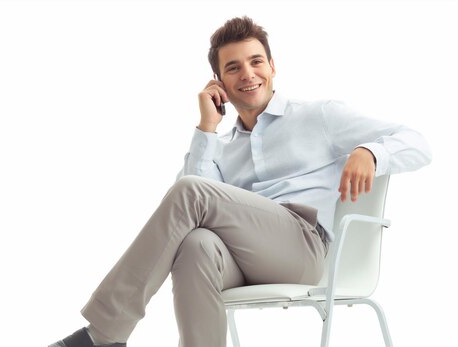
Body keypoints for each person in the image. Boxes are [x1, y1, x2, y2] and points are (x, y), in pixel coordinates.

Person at [48, 16, 432, 347]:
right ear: (219, 84)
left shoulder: (319, 116)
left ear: (273, 67)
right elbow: (187, 213)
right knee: (197, 243)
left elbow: (419, 143)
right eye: (233, 68)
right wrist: (207, 128)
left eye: (256, 62)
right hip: (243, 258)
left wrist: (370, 152)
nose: (247, 74)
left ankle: (104, 333)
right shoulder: (220, 145)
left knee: (189, 193)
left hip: (303, 247)